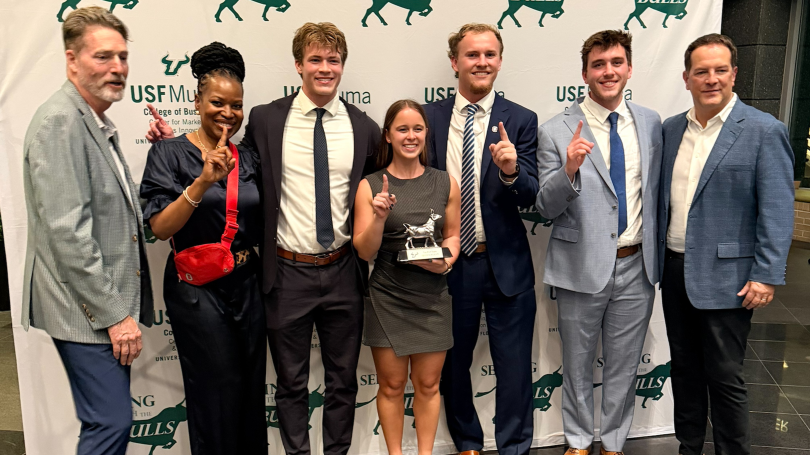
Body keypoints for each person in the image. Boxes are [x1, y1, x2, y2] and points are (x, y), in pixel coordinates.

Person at [148, 22, 382, 455]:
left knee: (339, 381)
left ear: (343, 66)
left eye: (333, 60)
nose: (324, 68)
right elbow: (209, 176)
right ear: (298, 65)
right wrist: (175, 149)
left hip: (340, 271)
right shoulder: (266, 119)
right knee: (287, 383)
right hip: (282, 273)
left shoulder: (365, 127)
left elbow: (380, 182)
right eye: (315, 59)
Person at [21, 7, 153, 455]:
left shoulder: (93, 121)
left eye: (122, 56)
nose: (117, 67)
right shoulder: (61, 122)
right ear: (71, 60)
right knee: (110, 423)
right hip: (86, 310)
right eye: (103, 57)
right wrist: (115, 316)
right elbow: (68, 234)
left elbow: (115, 212)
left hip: (96, 306)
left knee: (107, 421)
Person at [657, 34, 794, 455]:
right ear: (686, 78)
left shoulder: (764, 131)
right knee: (684, 370)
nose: (711, 79)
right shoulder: (671, 129)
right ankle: (689, 447)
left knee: (724, 376)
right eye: (701, 71)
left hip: (729, 278)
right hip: (674, 270)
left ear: (734, 74)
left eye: (720, 70)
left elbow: (777, 209)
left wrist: (766, 275)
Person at [535, 30, 662, 455]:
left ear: (629, 68)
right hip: (580, 266)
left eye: (616, 62)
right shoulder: (555, 130)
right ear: (585, 73)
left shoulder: (650, 123)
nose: (608, 71)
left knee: (624, 365)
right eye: (598, 64)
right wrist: (569, 169)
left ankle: (613, 443)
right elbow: (545, 207)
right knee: (576, 362)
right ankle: (576, 441)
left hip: (636, 265)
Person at [139, 42, 267, 454]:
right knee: (216, 391)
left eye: (236, 105)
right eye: (217, 102)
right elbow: (160, 227)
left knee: (250, 390)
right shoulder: (169, 153)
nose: (228, 113)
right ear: (197, 101)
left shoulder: (248, 158)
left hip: (246, 283)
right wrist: (202, 182)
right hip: (196, 288)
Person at [423, 23, 539, 455]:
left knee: (515, 368)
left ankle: (515, 447)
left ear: (500, 61)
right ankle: (468, 443)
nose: (482, 62)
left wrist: (511, 171)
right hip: (450, 263)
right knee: (453, 364)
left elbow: (531, 195)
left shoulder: (522, 120)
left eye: (490, 54)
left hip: (507, 264)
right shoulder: (428, 118)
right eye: (472, 55)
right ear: (455, 62)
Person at [353, 100, 461, 455]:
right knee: (392, 386)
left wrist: (446, 262)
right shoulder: (370, 186)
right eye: (402, 129)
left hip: (432, 297)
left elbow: (452, 236)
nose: (410, 136)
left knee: (428, 385)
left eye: (417, 128)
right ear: (388, 135)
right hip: (387, 297)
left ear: (426, 133)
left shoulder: (445, 182)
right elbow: (364, 251)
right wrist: (380, 217)